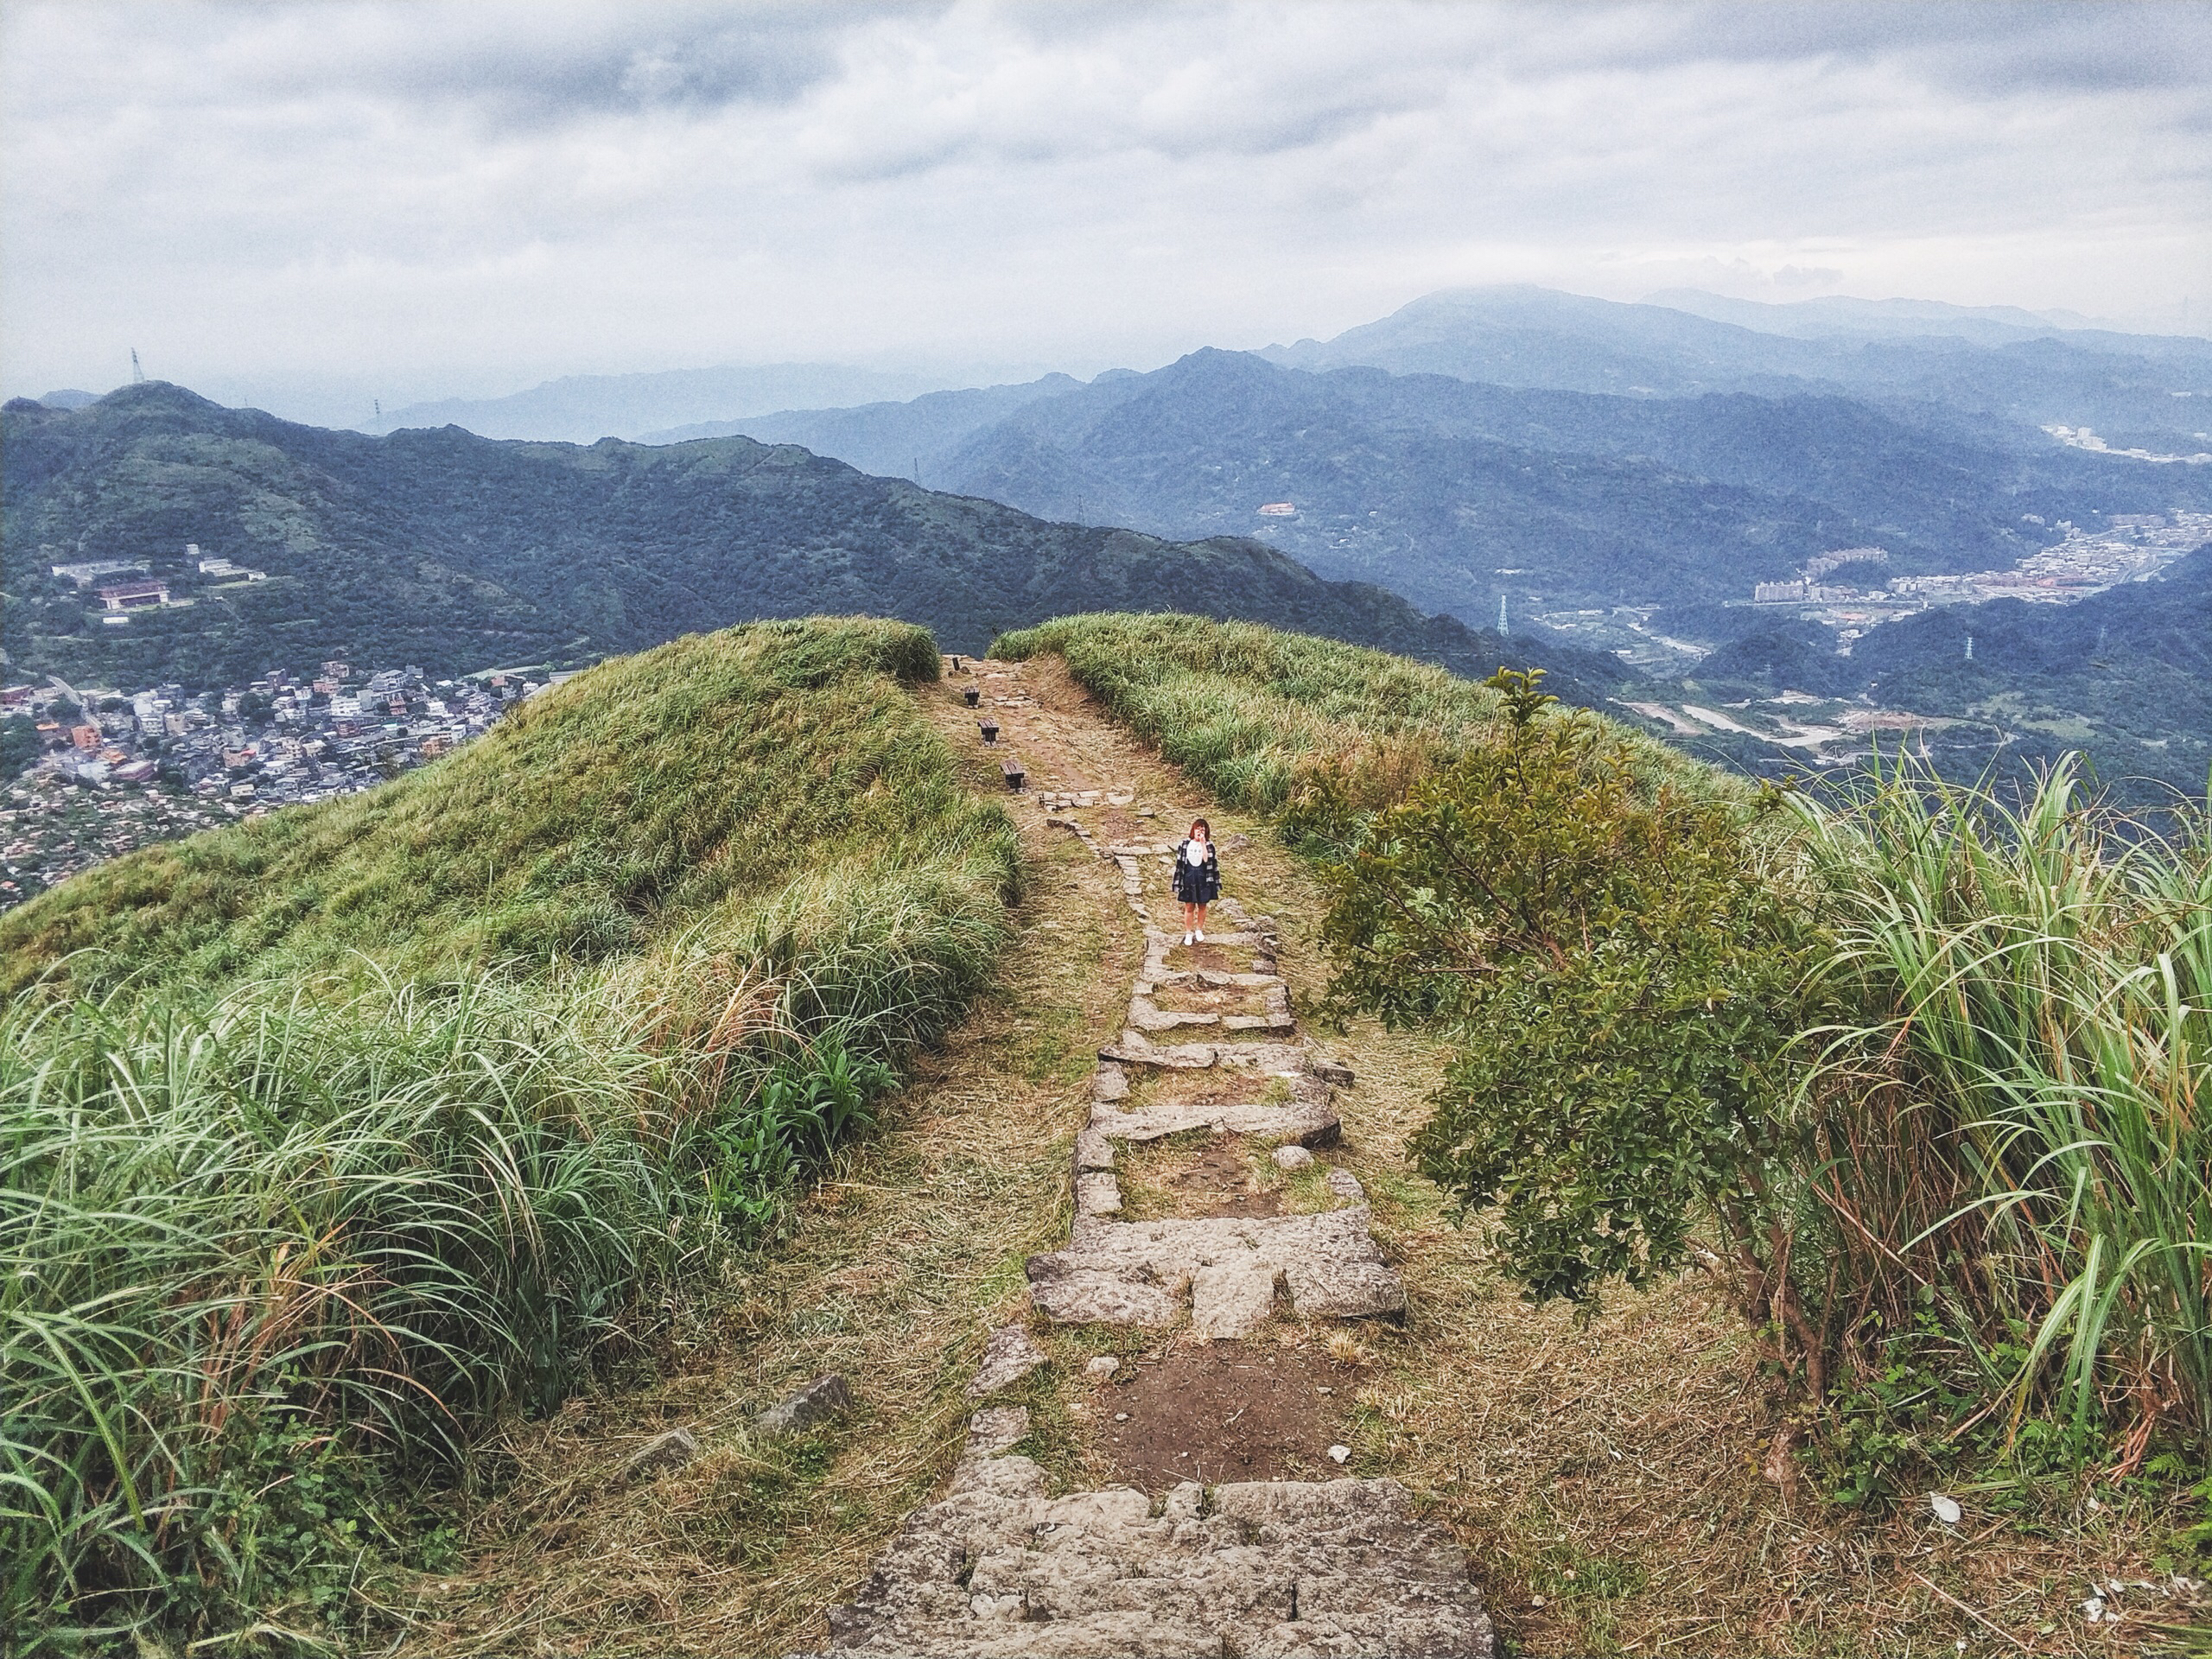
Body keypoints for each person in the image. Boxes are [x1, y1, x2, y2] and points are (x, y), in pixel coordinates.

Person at [1173, 817, 1220, 945]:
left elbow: (1207, 860)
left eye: (1203, 829)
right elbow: (1180, 865)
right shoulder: (1185, 844)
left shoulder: (1209, 845)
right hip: (1189, 876)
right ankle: (1188, 933)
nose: (1200, 831)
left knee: (1202, 905)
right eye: (1198, 828)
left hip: (1203, 877)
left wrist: (1203, 843)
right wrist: (1179, 881)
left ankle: (1199, 930)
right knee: (1189, 906)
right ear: (1193, 830)